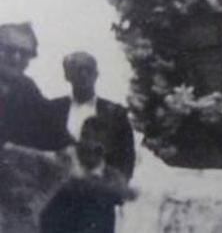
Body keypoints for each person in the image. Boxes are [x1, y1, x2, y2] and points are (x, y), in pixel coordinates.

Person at [41, 52, 135, 233]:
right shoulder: (51, 110)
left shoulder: (115, 113)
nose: (83, 74)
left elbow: (126, 158)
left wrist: (112, 193)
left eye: (88, 70)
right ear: (67, 75)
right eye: (77, 70)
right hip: (56, 200)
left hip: (97, 203)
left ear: (96, 74)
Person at [0, 23, 68, 152]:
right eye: (9, 50)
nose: (16, 58)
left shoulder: (25, 87)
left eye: (24, 53)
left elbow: (55, 129)